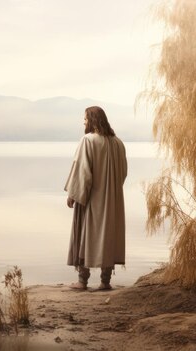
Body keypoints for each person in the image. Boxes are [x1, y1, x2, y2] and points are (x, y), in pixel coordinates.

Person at [64, 106, 127, 290]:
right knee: (108, 234)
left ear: (92, 120)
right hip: (113, 199)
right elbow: (122, 173)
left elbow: (82, 171)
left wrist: (73, 195)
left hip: (92, 198)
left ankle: (82, 281)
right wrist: (112, 190)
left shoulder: (88, 141)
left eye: (84, 118)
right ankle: (105, 282)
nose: (83, 122)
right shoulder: (118, 143)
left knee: (86, 232)